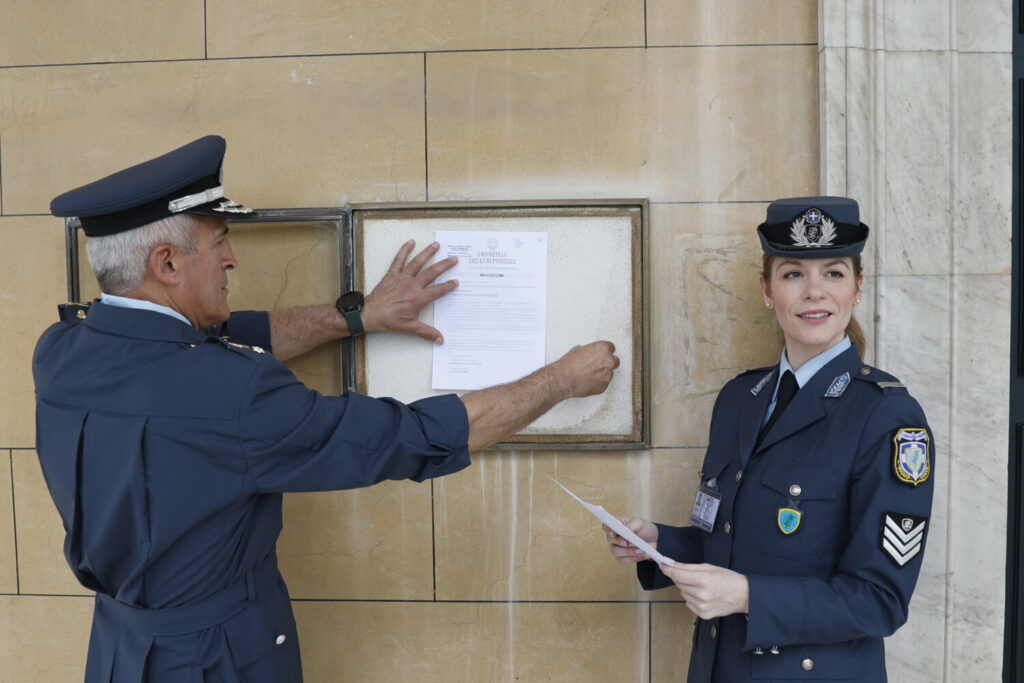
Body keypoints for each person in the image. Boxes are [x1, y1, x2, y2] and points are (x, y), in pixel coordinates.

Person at [34, 135, 619, 683]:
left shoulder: (60, 352)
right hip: (217, 658)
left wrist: (362, 315)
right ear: (166, 264)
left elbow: (221, 337)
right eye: (220, 243)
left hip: (119, 650)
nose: (232, 261)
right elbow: (412, 437)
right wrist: (562, 378)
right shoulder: (236, 394)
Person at [603, 197, 934, 682]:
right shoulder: (740, 399)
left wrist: (745, 596)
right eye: (794, 274)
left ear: (858, 288)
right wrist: (658, 542)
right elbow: (734, 538)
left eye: (835, 274)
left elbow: (880, 601)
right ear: (767, 289)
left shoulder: (886, 415)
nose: (814, 293)